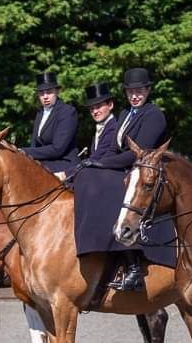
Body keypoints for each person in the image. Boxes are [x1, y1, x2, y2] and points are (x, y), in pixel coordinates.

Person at [73, 70, 174, 291]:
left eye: (139, 91)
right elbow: (112, 148)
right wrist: (96, 163)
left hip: (144, 170)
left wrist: (104, 165)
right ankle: (94, 245)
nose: (135, 96)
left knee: (107, 186)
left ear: (147, 90)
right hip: (126, 169)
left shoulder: (154, 115)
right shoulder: (125, 113)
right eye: (131, 92)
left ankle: (133, 266)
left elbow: (139, 152)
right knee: (87, 175)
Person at [21, 71, 79, 175]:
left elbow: (58, 149)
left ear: (57, 91)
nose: (45, 96)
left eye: (49, 92)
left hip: (63, 164)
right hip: (44, 162)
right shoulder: (40, 113)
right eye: (41, 93)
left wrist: (24, 152)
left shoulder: (68, 112)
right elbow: (34, 144)